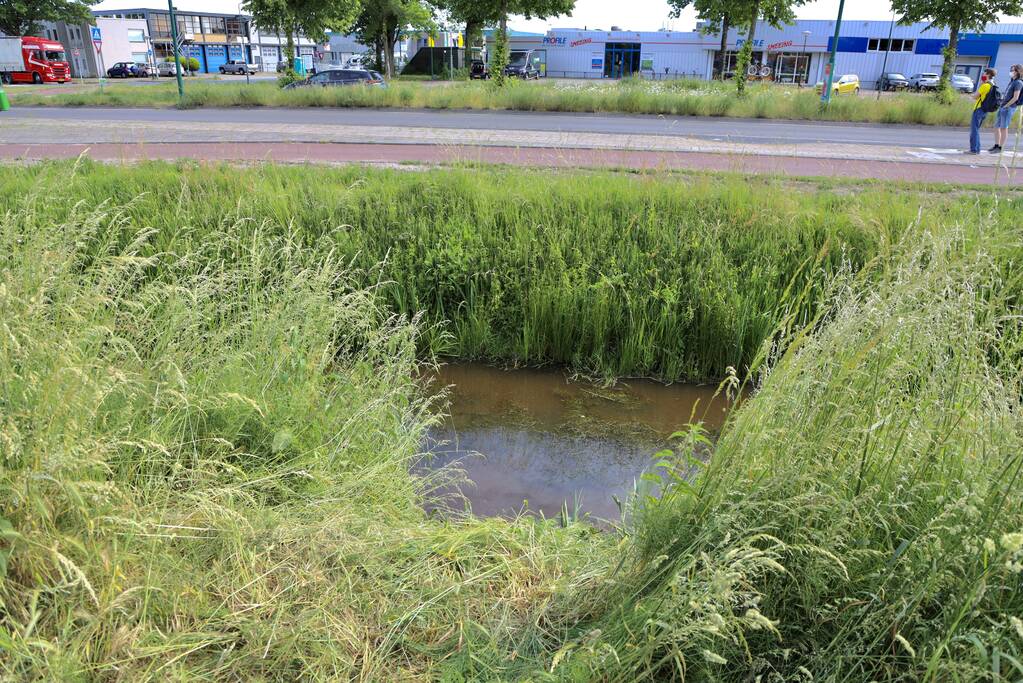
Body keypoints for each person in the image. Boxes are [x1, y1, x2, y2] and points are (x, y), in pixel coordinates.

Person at [991, 64, 1023, 153]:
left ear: (1018, 72)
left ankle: (1000, 148)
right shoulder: (1012, 81)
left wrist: (1006, 106)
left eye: (1013, 70)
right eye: (1011, 70)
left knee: (1003, 128)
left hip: (1008, 108)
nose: (1011, 72)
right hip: (1003, 106)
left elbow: (1015, 97)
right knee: (996, 127)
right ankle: (996, 145)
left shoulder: (1018, 83)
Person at [969, 67, 997, 155]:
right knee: (976, 129)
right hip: (985, 110)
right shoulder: (992, 84)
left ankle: (974, 150)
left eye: (984, 73)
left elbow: (975, 96)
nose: (983, 74)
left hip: (979, 109)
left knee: (974, 130)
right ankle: (977, 149)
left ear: (988, 74)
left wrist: (979, 86)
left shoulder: (985, 85)